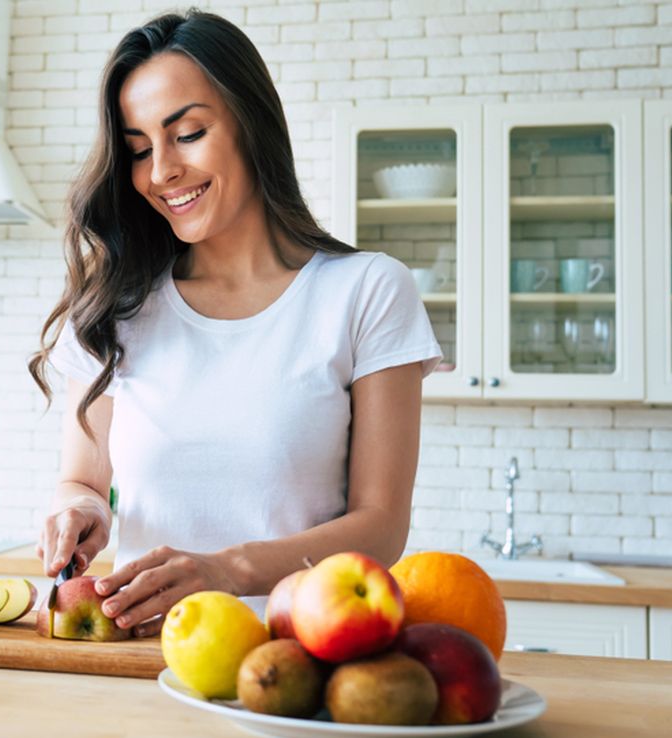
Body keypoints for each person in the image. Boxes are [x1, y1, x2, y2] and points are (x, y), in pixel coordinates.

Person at [27, 10, 442, 637]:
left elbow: (381, 526)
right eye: (138, 150)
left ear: (251, 122)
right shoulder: (118, 306)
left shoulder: (366, 291)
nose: (160, 171)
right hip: (140, 662)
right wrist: (78, 511)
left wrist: (228, 569)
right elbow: (81, 479)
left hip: (297, 661)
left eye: (187, 133)